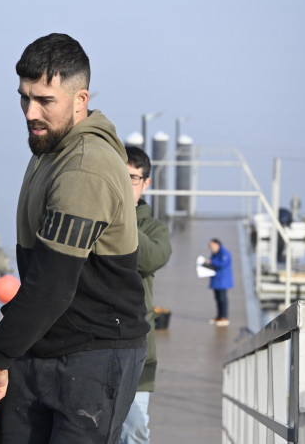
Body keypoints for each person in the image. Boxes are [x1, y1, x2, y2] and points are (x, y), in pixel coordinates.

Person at [0, 33, 149, 444]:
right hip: (42, 347)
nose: (30, 112)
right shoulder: (48, 149)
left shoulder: (85, 166)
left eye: (45, 100)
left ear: (80, 99)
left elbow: (51, 284)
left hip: (95, 354)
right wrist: (14, 354)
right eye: (24, 97)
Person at [119, 147, 172, 444]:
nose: (126, 185)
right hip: (90, 346)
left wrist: (118, 215)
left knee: (135, 431)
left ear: (146, 182)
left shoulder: (154, 228)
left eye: (133, 178)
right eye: (119, 177)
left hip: (138, 350)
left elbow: (151, 258)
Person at [202, 238, 233, 326]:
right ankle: (219, 316)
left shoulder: (224, 253)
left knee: (223, 299)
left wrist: (211, 261)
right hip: (216, 279)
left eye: (212, 246)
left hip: (223, 280)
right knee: (217, 299)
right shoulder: (214, 253)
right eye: (209, 246)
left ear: (217, 245)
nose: (210, 248)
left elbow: (222, 264)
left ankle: (224, 317)